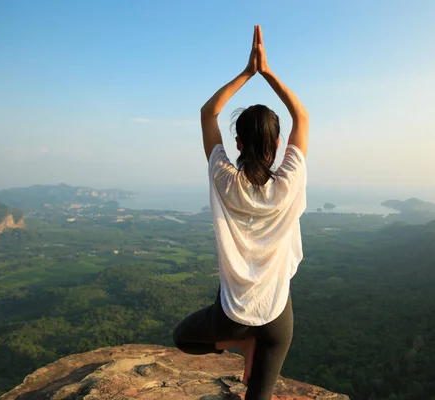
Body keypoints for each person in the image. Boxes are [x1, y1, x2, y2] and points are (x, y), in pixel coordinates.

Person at [173, 25, 308, 400]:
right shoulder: (288, 182)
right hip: (278, 319)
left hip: (232, 318)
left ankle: (240, 344)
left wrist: (247, 73)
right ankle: (254, 346)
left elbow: (208, 112)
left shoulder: (223, 178)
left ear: (237, 143)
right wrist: (268, 73)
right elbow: (302, 117)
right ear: (278, 145)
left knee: (183, 337)